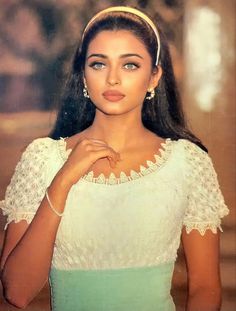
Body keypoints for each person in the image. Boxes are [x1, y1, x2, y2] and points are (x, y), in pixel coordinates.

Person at [0, 6, 229, 311]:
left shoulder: (188, 163)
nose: (112, 79)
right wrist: (64, 179)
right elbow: (16, 291)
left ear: (153, 77)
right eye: (98, 64)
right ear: (83, 74)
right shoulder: (42, 159)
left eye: (130, 65)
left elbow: (205, 289)